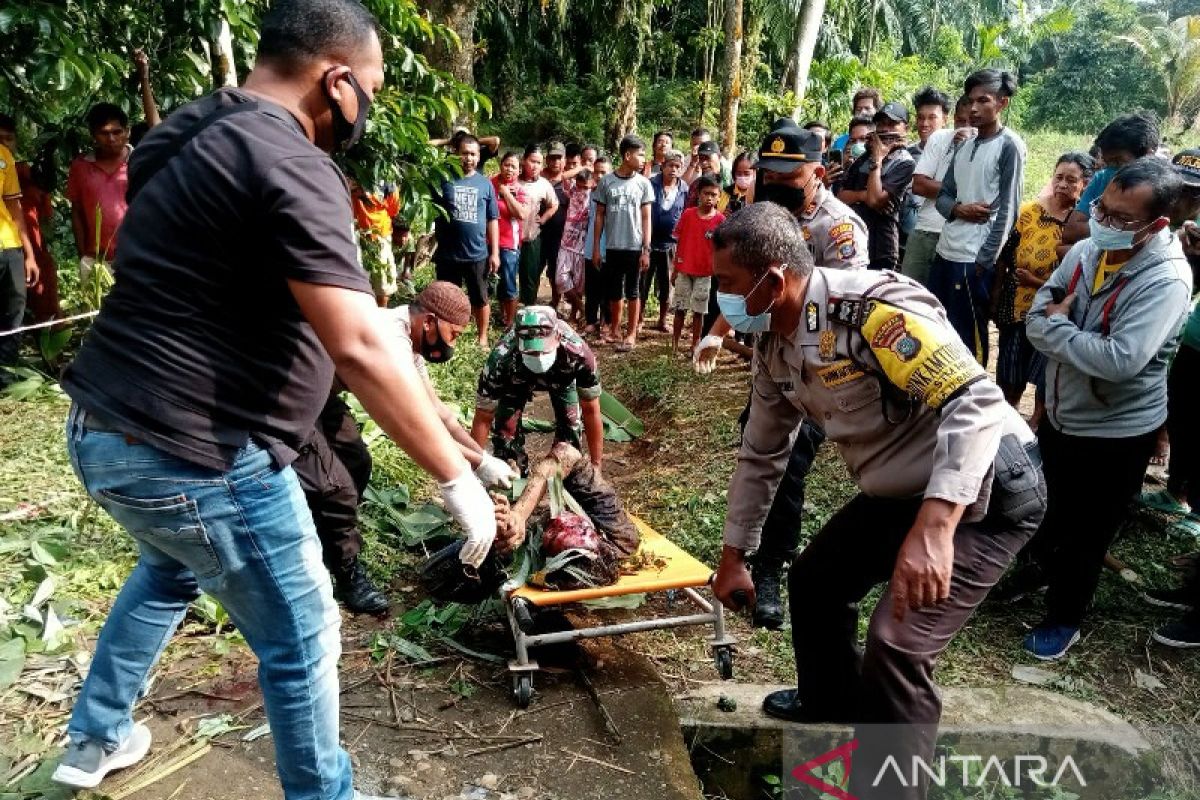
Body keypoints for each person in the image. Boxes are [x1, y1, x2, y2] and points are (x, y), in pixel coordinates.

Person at [51, 3, 496, 799]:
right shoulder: (291, 161)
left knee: (166, 570)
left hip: (104, 430)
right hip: (200, 451)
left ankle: (96, 738)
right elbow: (358, 344)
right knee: (301, 636)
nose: (370, 106)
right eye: (372, 86)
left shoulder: (182, 133)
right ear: (336, 78)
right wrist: (455, 480)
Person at [709, 203, 1044, 800]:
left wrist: (936, 529)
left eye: (729, 285)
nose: (722, 301)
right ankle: (832, 700)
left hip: (986, 487)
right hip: (905, 490)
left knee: (898, 642)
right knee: (815, 581)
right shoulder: (774, 341)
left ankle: (890, 788)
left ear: (775, 279)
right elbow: (762, 453)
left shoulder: (871, 314)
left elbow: (975, 402)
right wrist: (736, 553)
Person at [999, 158, 1193, 661]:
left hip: (1116, 430)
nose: (1102, 222)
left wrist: (1059, 328)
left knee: (1089, 530)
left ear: (1156, 226)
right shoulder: (1087, 251)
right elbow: (1036, 313)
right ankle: (1038, 570)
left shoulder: (1166, 280)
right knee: (1049, 507)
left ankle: (1065, 619)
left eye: (1120, 218)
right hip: (1065, 412)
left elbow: (1120, 361)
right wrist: (1065, 330)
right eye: (1102, 209)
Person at [694, 122, 867, 630]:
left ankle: (771, 565)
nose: (774, 182)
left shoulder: (839, 228)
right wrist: (719, 329)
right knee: (760, 447)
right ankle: (748, 551)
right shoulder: (762, 218)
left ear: (816, 171)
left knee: (788, 464)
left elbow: (847, 304)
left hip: (824, 368)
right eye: (767, 173)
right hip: (773, 360)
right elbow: (742, 282)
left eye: (786, 175)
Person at [299, 281, 517, 615]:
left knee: (356, 462)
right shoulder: (390, 339)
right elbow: (409, 421)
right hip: (292, 396)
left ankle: (322, 537)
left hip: (321, 394)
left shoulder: (410, 341)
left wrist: (482, 459)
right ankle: (345, 572)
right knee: (335, 487)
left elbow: (437, 413)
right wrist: (463, 473)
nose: (452, 344)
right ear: (429, 321)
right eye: (453, 334)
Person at [929, 69, 1025, 366]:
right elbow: (943, 196)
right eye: (970, 101)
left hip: (974, 258)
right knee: (938, 329)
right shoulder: (964, 145)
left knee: (970, 337)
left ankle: (973, 400)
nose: (973, 108)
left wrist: (986, 261)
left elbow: (1009, 209)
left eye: (983, 100)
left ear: (1002, 104)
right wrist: (958, 209)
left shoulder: (1009, 146)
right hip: (946, 251)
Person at [992, 153, 1093, 424]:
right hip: (1017, 304)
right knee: (1010, 366)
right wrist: (997, 293)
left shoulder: (1084, 224)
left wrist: (1037, 283)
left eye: (1071, 180)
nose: (1062, 184)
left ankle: (1036, 422)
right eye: (1058, 177)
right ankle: (1006, 418)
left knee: (1045, 369)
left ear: (1085, 184)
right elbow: (1005, 255)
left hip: (1056, 309)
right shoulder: (1030, 212)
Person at [471, 305, 604, 476]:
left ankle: (565, 477)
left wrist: (596, 465)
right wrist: (474, 469)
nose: (539, 358)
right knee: (505, 435)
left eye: (543, 351)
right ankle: (513, 473)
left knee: (570, 431)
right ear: (518, 342)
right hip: (516, 378)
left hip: (561, 376)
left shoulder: (578, 353)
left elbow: (591, 410)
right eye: (531, 353)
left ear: (557, 337)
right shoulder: (501, 359)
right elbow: (483, 416)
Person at [1059, 113, 1160, 257]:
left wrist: (1097, 226)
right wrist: (1119, 227)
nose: (1112, 172)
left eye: (1118, 162)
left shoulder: (1163, 193)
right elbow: (1071, 231)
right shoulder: (1102, 177)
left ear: (1148, 155)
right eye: (1108, 163)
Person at [433, 134, 500, 346]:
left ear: (479, 157)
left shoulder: (485, 184)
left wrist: (495, 253)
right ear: (455, 153)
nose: (468, 158)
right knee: (447, 298)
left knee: (480, 298)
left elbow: (493, 219)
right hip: (447, 253)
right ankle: (448, 335)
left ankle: (482, 338)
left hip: (476, 253)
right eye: (464, 153)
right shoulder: (443, 178)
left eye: (473, 154)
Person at [836, 102, 916, 271]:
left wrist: (877, 161)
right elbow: (841, 196)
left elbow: (875, 201)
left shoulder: (904, 162)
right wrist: (862, 195)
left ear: (905, 128)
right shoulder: (863, 157)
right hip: (853, 242)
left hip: (881, 248)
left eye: (892, 124)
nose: (886, 129)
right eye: (881, 124)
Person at [592, 135, 653, 351]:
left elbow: (647, 218)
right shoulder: (606, 182)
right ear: (627, 155)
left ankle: (631, 333)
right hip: (613, 246)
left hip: (635, 247)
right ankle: (615, 329)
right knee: (614, 291)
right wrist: (596, 248)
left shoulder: (643, 184)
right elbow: (599, 215)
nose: (644, 159)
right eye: (641, 154)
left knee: (634, 291)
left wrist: (646, 249)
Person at [901, 96, 970, 286]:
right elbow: (920, 185)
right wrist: (966, 190)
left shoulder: (992, 147)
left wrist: (938, 187)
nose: (965, 127)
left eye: (971, 122)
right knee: (908, 296)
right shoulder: (939, 138)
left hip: (959, 237)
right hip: (924, 230)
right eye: (961, 121)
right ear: (954, 119)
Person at [0, 114, 58, 323]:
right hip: (9, 249)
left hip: (27, 249)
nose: (4, 145)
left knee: (38, 308)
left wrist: (34, 254)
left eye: (8, 139)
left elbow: (43, 219)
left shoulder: (28, 173)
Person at [67, 103, 131, 272]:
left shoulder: (140, 161)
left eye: (117, 132)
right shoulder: (80, 167)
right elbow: (77, 212)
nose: (111, 139)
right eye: (104, 133)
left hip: (135, 258)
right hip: (94, 260)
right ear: (93, 135)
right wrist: (83, 256)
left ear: (127, 132)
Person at [670, 175, 724, 354]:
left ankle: (695, 344)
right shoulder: (688, 215)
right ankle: (675, 344)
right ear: (698, 194)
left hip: (705, 272)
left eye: (713, 194)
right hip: (684, 269)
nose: (709, 198)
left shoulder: (720, 221)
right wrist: (675, 268)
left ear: (719, 197)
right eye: (705, 193)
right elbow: (679, 242)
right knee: (679, 308)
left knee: (699, 311)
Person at [0, 133, 38, 384]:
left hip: (9, 243)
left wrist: (29, 255)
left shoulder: (4, 156)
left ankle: (6, 373)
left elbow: (14, 206)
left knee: (15, 305)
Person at [900, 87, 951, 248]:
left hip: (938, 234)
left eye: (932, 118)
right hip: (903, 236)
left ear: (945, 120)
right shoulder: (905, 153)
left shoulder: (955, 154)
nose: (925, 124)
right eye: (921, 118)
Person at [643, 148, 687, 333]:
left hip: (671, 244)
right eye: (670, 165)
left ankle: (662, 319)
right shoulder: (651, 184)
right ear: (662, 166)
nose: (673, 169)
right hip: (649, 242)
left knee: (666, 283)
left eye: (677, 166)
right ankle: (638, 319)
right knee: (643, 281)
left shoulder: (684, 188)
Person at [517, 145, 559, 307]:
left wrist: (544, 219)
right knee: (506, 275)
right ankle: (507, 311)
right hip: (509, 239)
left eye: (539, 163)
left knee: (530, 276)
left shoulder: (544, 184)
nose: (535, 166)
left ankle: (528, 309)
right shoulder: (513, 180)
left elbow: (553, 204)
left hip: (531, 236)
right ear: (523, 160)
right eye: (532, 161)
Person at [349, 179, 401, 307]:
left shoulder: (388, 181)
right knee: (358, 279)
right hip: (355, 231)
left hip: (378, 235)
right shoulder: (350, 172)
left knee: (382, 283)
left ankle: (380, 314)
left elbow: (393, 209)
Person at [492, 151, 528, 328]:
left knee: (508, 281)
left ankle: (510, 322)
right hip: (488, 242)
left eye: (514, 166)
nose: (509, 169)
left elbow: (521, 213)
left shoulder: (520, 190)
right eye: (507, 165)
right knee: (495, 281)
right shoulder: (490, 183)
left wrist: (506, 193)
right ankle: (501, 314)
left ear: (519, 170)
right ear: (501, 165)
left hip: (509, 244)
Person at [555, 168, 594, 324]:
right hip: (566, 243)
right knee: (561, 280)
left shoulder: (595, 195)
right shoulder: (572, 191)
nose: (583, 190)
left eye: (586, 187)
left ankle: (574, 315)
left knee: (578, 285)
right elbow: (562, 176)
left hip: (583, 246)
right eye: (580, 186)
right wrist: (584, 166)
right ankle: (583, 309)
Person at [583, 156, 611, 334]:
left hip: (609, 246)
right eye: (596, 172)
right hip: (591, 246)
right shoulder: (590, 193)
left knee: (608, 288)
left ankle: (607, 322)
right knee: (592, 287)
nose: (599, 176)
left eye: (603, 172)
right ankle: (591, 321)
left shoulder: (613, 193)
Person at [541, 142, 571, 311]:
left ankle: (555, 301)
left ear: (564, 160)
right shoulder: (539, 178)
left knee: (555, 270)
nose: (555, 162)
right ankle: (529, 301)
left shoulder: (570, 183)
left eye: (558, 158)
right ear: (547, 160)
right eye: (552, 158)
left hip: (560, 235)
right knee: (534, 269)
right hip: (539, 232)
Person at [825, 114, 874, 189]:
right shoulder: (847, 167)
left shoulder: (881, 166)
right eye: (853, 140)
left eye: (863, 139)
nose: (857, 144)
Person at [829, 87, 882, 154]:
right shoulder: (841, 142)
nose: (863, 112)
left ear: (877, 111)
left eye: (867, 108)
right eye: (858, 109)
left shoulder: (884, 139)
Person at [685, 140, 723, 207]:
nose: (704, 163)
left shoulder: (731, 182)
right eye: (701, 159)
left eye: (707, 158)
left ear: (719, 157)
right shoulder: (696, 185)